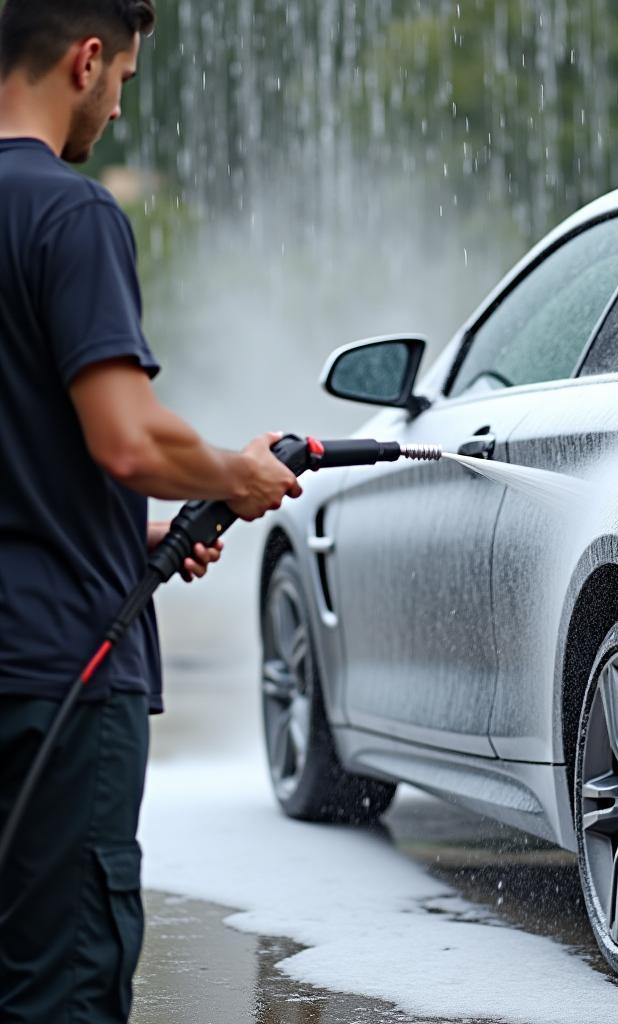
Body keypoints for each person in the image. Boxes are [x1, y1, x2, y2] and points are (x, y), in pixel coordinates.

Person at [0, 2, 301, 1020]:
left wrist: (126, 535)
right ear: (86, 60)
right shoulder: (68, 213)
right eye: (123, 78)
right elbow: (127, 438)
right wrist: (233, 475)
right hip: (56, 685)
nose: (118, 108)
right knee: (60, 986)